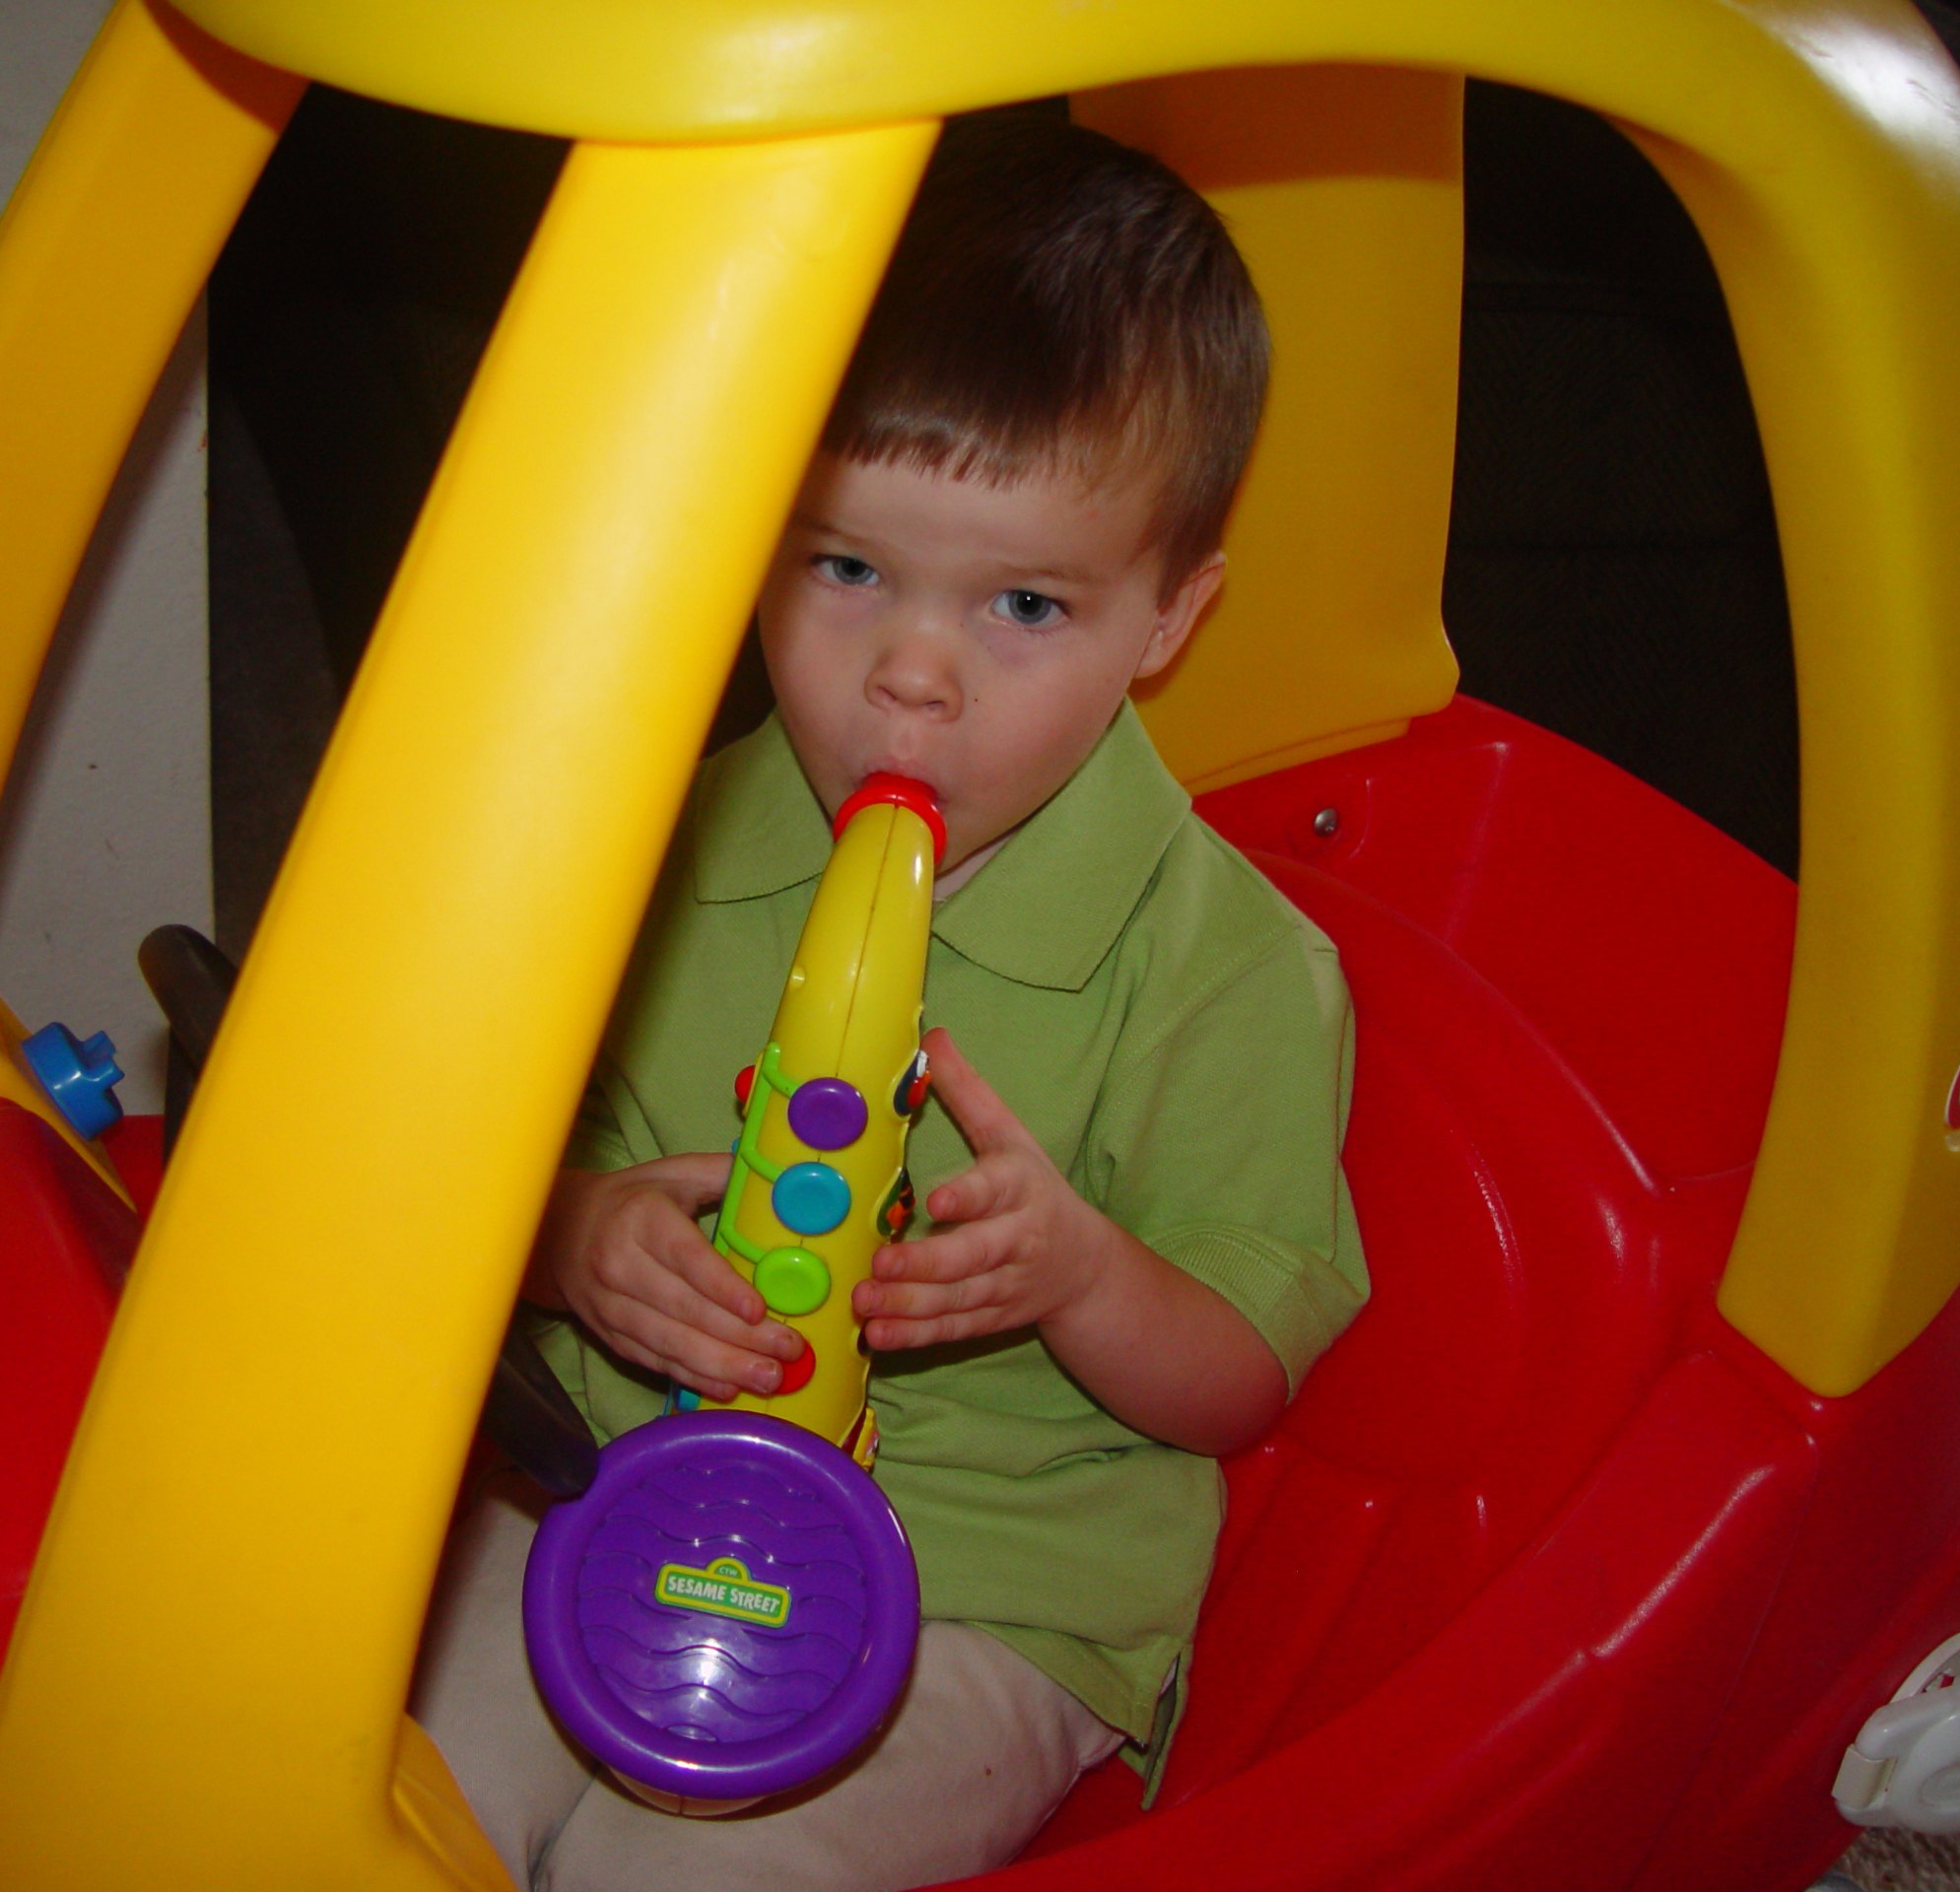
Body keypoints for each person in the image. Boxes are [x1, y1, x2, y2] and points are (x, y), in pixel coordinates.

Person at [411, 110, 1368, 1892]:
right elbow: (510, 1166)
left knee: (672, 1877)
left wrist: (1082, 1276)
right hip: (621, 1482)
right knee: (378, 1783)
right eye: (844, 568)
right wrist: (581, 1231)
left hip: (991, 1585)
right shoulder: (666, 836)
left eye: (1023, 604)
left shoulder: (1234, 970)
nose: (909, 678)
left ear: (1169, 618)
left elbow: (1239, 1378)